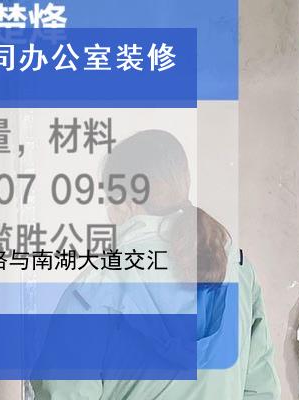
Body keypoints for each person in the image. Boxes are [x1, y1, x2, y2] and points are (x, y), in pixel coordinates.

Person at [34, 130, 278, 400]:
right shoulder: (237, 269)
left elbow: (64, 392)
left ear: (125, 201)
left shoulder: (98, 284)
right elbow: (261, 389)